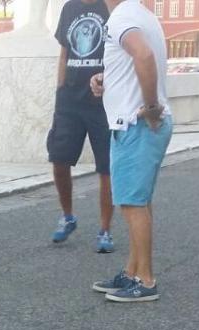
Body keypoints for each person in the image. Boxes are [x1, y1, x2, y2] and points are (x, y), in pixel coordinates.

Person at [87, 0, 171, 303]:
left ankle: (145, 280)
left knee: (133, 203)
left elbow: (144, 56)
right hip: (137, 123)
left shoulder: (122, 16)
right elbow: (135, 61)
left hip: (135, 124)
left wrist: (150, 108)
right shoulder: (142, 14)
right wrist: (106, 79)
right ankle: (133, 271)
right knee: (138, 201)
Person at [48, 0, 115, 253]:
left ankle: (105, 230)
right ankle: (67, 216)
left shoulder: (110, 6)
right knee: (59, 159)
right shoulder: (69, 8)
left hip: (102, 102)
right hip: (69, 100)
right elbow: (64, 53)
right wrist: (60, 91)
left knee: (106, 168)